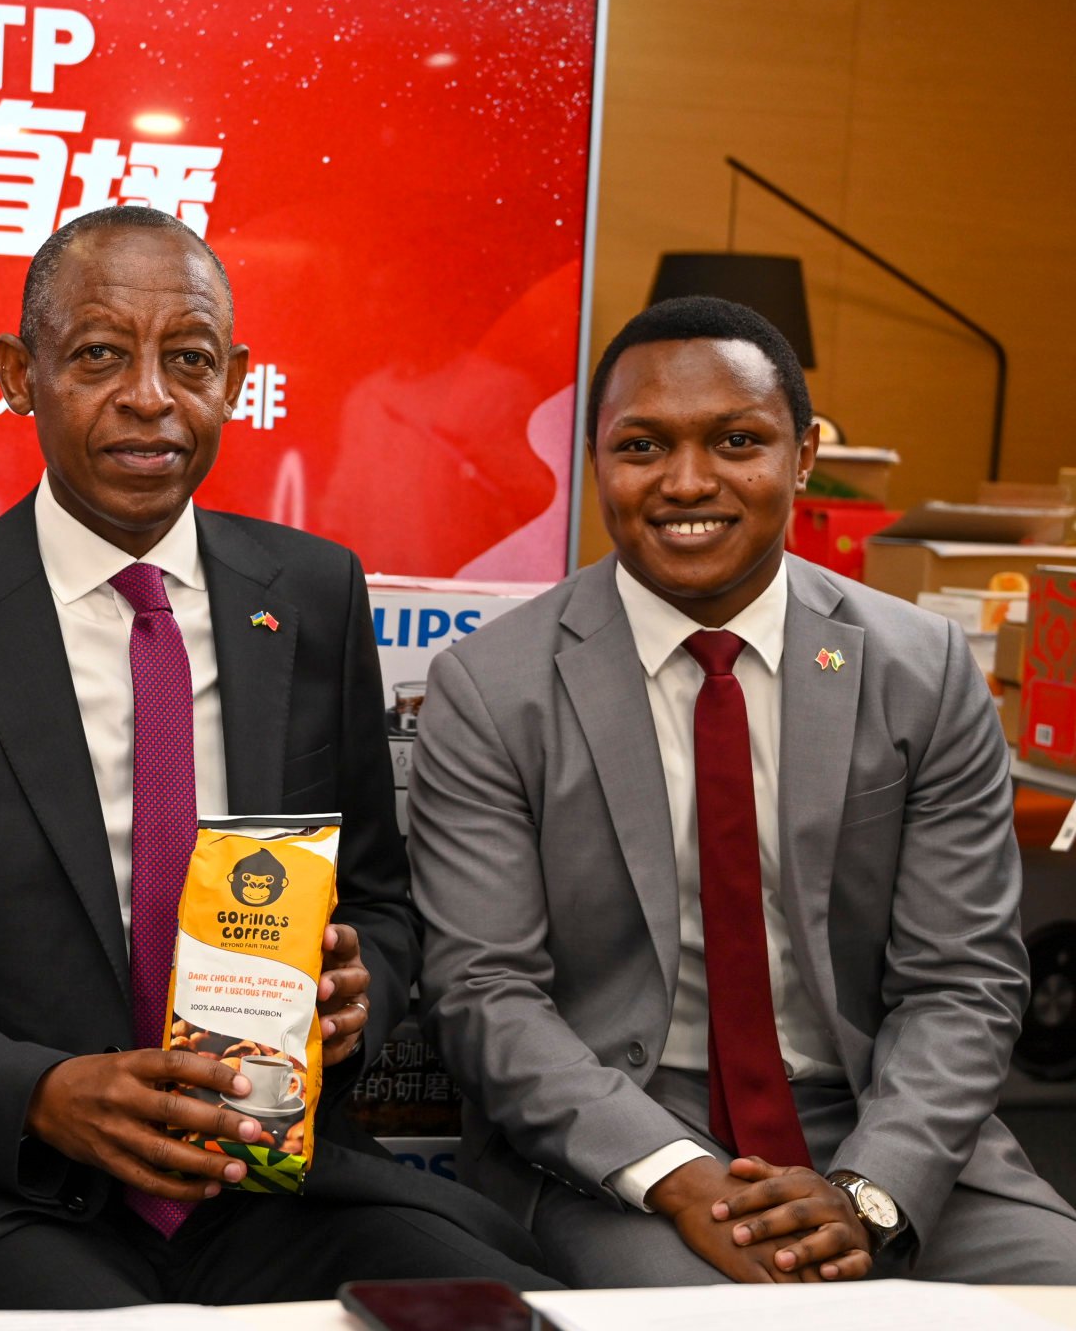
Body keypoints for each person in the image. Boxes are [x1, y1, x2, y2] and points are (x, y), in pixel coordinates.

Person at [0, 205, 555, 1308]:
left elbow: (383, 906)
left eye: (188, 360)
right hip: (0, 1188)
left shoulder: (312, 596)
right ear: (21, 373)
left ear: (235, 379)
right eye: (99, 355)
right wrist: (43, 1093)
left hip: (271, 1183)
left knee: (511, 1310)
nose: (149, 397)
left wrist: (359, 994)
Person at [410, 295, 1076, 1288]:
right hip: (624, 1148)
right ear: (594, 459)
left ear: (802, 455)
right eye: (641, 446)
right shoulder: (491, 688)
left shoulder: (918, 668)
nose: (687, 483)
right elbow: (484, 995)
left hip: (885, 1126)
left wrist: (868, 1189)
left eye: (735, 440)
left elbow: (964, 981)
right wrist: (679, 1176)